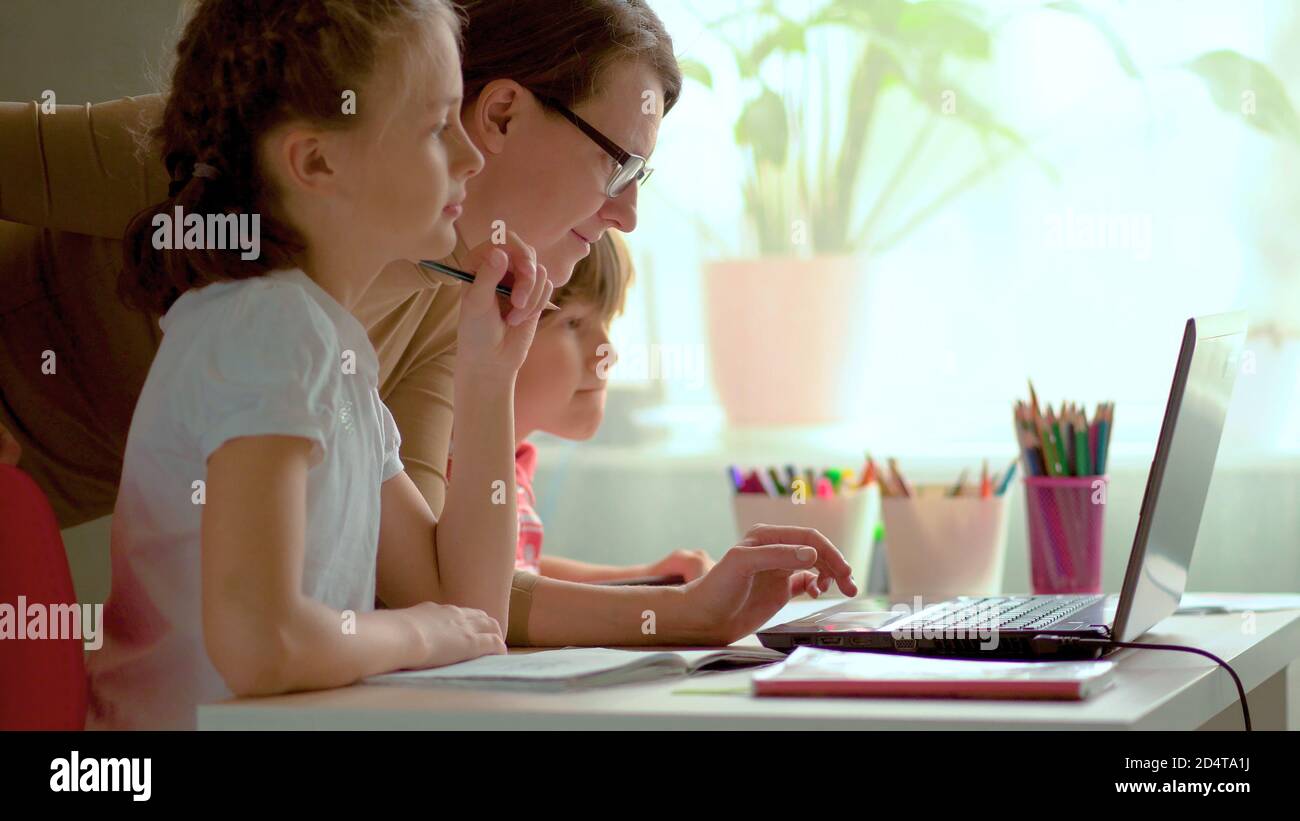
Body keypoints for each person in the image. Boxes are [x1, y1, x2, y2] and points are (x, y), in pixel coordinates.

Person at [85, 0, 551, 730]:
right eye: (437, 127)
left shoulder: (326, 351)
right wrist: (422, 633)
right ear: (318, 161)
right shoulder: (270, 329)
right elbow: (263, 642)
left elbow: (469, 606)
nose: (471, 155)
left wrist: (490, 376)